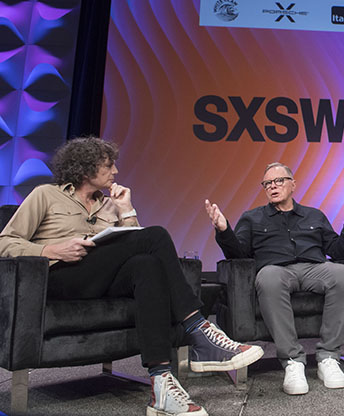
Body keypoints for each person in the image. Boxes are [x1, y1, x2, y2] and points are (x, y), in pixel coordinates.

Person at [0, 137, 263, 416]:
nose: (115, 172)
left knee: (146, 265)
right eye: (109, 165)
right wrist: (51, 249)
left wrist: (126, 211)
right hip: (60, 277)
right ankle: (199, 330)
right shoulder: (46, 195)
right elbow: (5, 242)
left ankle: (161, 383)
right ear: (86, 169)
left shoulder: (110, 205)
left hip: (100, 279)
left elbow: (135, 243)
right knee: (158, 235)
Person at [205, 162, 344, 395]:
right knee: (269, 278)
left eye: (279, 181)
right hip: (276, 269)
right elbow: (238, 255)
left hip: (314, 268)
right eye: (267, 184)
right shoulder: (252, 218)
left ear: (293, 184)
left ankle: (328, 357)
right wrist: (224, 231)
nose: (273, 186)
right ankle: (293, 360)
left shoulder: (314, 215)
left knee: (343, 274)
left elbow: (338, 251)